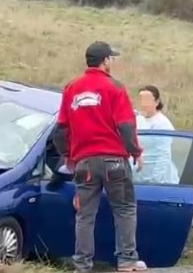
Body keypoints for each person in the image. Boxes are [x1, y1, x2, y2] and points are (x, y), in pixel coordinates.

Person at [52, 41, 147, 273]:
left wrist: (68, 155)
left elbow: (60, 130)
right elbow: (125, 125)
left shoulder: (71, 88)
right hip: (114, 160)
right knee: (124, 209)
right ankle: (126, 261)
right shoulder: (114, 87)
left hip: (84, 162)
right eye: (111, 58)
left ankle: (82, 265)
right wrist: (135, 151)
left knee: (85, 215)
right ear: (105, 61)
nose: (112, 61)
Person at [134, 85, 179, 184]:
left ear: (156, 102)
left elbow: (164, 154)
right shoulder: (137, 120)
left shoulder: (162, 123)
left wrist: (156, 179)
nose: (143, 103)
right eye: (141, 99)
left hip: (160, 178)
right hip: (140, 174)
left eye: (147, 100)